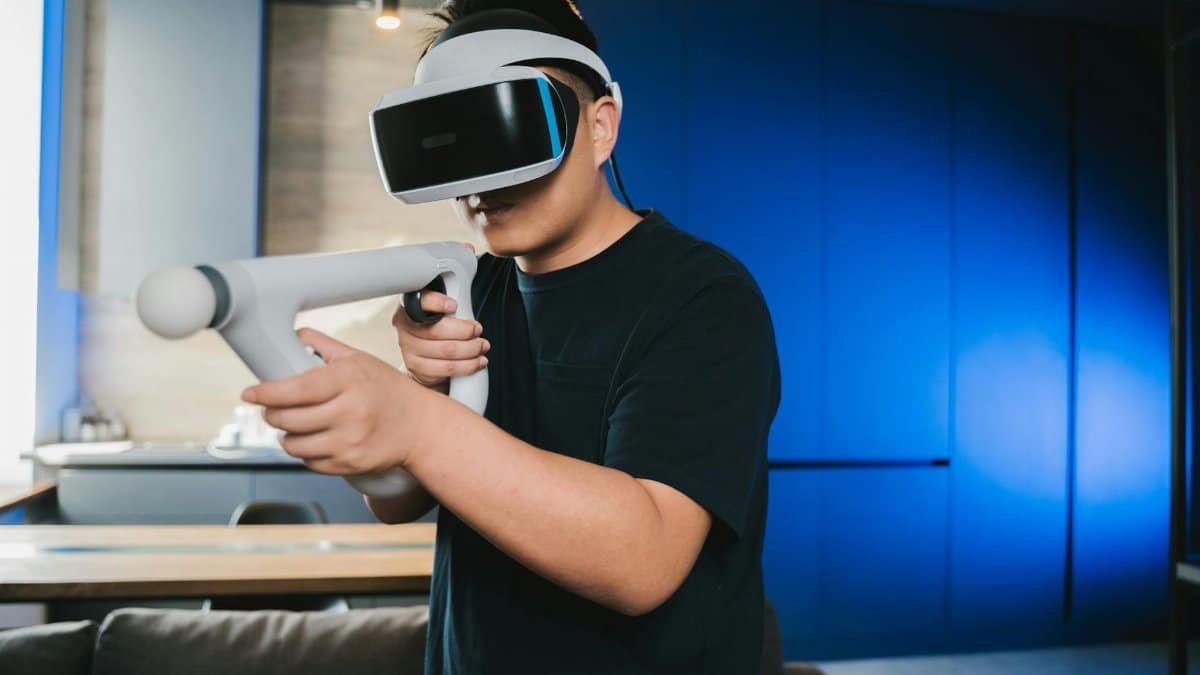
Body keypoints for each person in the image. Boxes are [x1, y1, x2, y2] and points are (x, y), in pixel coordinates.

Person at [241, 1, 782, 672]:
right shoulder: (475, 287)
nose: (481, 185)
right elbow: (400, 501)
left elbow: (642, 559)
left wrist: (418, 422)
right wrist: (417, 400)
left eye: (502, 133)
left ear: (600, 126)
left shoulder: (702, 297)